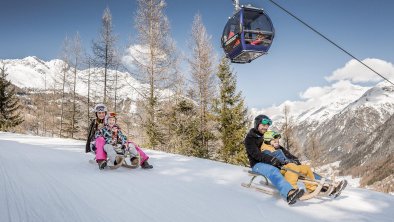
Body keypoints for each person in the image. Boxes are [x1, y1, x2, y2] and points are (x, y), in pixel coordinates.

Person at [244, 114, 305, 205]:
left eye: (267, 125)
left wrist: (294, 159)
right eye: (263, 125)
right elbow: (256, 155)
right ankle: (289, 193)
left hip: (272, 162)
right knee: (273, 171)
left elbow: (282, 150)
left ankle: (323, 184)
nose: (266, 127)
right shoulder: (250, 139)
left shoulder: (267, 137)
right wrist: (272, 160)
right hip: (258, 164)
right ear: (257, 125)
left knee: (299, 167)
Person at [86, 103, 110, 169]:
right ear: (96, 114)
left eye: (103, 113)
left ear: (105, 113)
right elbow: (90, 134)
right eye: (99, 113)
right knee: (100, 139)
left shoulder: (109, 121)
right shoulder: (95, 122)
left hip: (109, 140)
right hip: (96, 142)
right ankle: (101, 160)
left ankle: (137, 159)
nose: (101, 114)